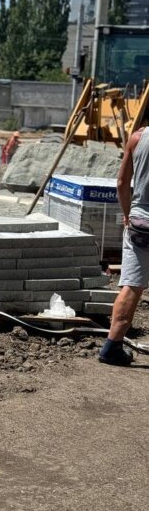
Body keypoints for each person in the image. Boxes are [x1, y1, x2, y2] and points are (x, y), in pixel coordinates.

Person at [101, 126, 149, 366]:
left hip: (140, 223)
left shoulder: (137, 139)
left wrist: (129, 214)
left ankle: (112, 346)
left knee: (131, 285)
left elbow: (122, 181)